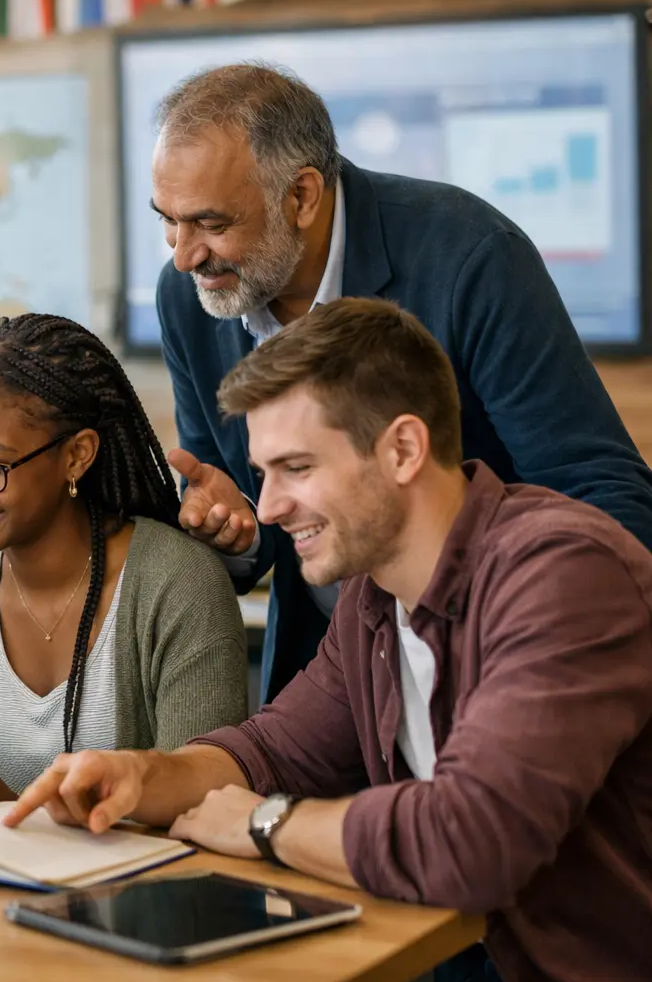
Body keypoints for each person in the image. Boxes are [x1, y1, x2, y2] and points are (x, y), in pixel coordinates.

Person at [6, 298, 652, 982]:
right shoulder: (372, 595)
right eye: (264, 473)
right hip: (476, 979)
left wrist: (264, 824)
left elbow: (470, 841)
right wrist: (137, 775)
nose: (268, 508)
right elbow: (273, 752)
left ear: (403, 450)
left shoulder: (563, 574)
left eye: (296, 468)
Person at [149, 63, 652, 704]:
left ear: (302, 196)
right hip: (330, 679)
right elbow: (246, 504)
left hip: (498, 657)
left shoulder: (470, 255)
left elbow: (603, 494)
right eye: (168, 220)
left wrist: (525, 653)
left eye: (212, 224)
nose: (183, 255)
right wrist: (238, 529)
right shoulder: (190, 295)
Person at [0, 314, 246, 818]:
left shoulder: (179, 583)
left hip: (137, 873)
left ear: (77, 455)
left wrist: (12, 802)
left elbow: (205, 808)